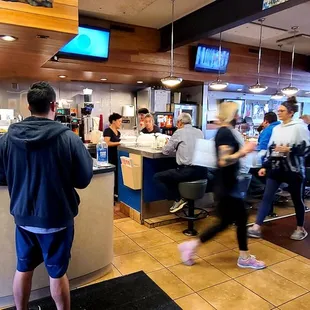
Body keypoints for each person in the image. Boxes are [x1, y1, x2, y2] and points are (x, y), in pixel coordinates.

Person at [0, 82, 93, 310]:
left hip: (23, 219)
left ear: (28, 105)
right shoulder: (68, 138)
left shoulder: (7, 138)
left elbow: (2, 176)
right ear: (54, 105)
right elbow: (83, 179)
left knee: (23, 268)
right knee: (57, 273)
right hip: (57, 219)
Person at [178, 102, 265, 269]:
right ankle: (244, 257)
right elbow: (223, 160)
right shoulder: (225, 133)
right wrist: (244, 151)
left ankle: (192, 246)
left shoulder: (224, 132)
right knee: (239, 219)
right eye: (237, 113)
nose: (239, 116)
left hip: (226, 185)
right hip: (227, 186)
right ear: (231, 114)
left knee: (225, 223)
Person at [248, 97, 310, 241]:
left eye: (282, 111)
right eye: (279, 110)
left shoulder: (299, 127)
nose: (279, 113)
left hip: (294, 170)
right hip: (276, 169)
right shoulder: (276, 128)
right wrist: (265, 166)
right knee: (267, 197)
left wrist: (290, 149)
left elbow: (307, 149)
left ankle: (300, 228)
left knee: (297, 200)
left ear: (291, 112)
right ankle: (256, 226)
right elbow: (271, 149)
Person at [153, 113, 208, 213]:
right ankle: (185, 199)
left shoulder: (179, 132)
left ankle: (178, 199)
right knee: (174, 173)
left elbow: (165, 151)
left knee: (158, 177)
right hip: (203, 171)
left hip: (188, 172)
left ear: (179, 123)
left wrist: (167, 145)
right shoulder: (199, 132)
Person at [104, 113, 122, 200]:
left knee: (117, 176)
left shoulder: (118, 132)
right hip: (110, 157)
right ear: (113, 121)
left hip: (116, 157)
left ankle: (116, 194)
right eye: (119, 121)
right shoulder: (107, 131)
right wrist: (119, 143)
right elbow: (107, 143)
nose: (120, 123)